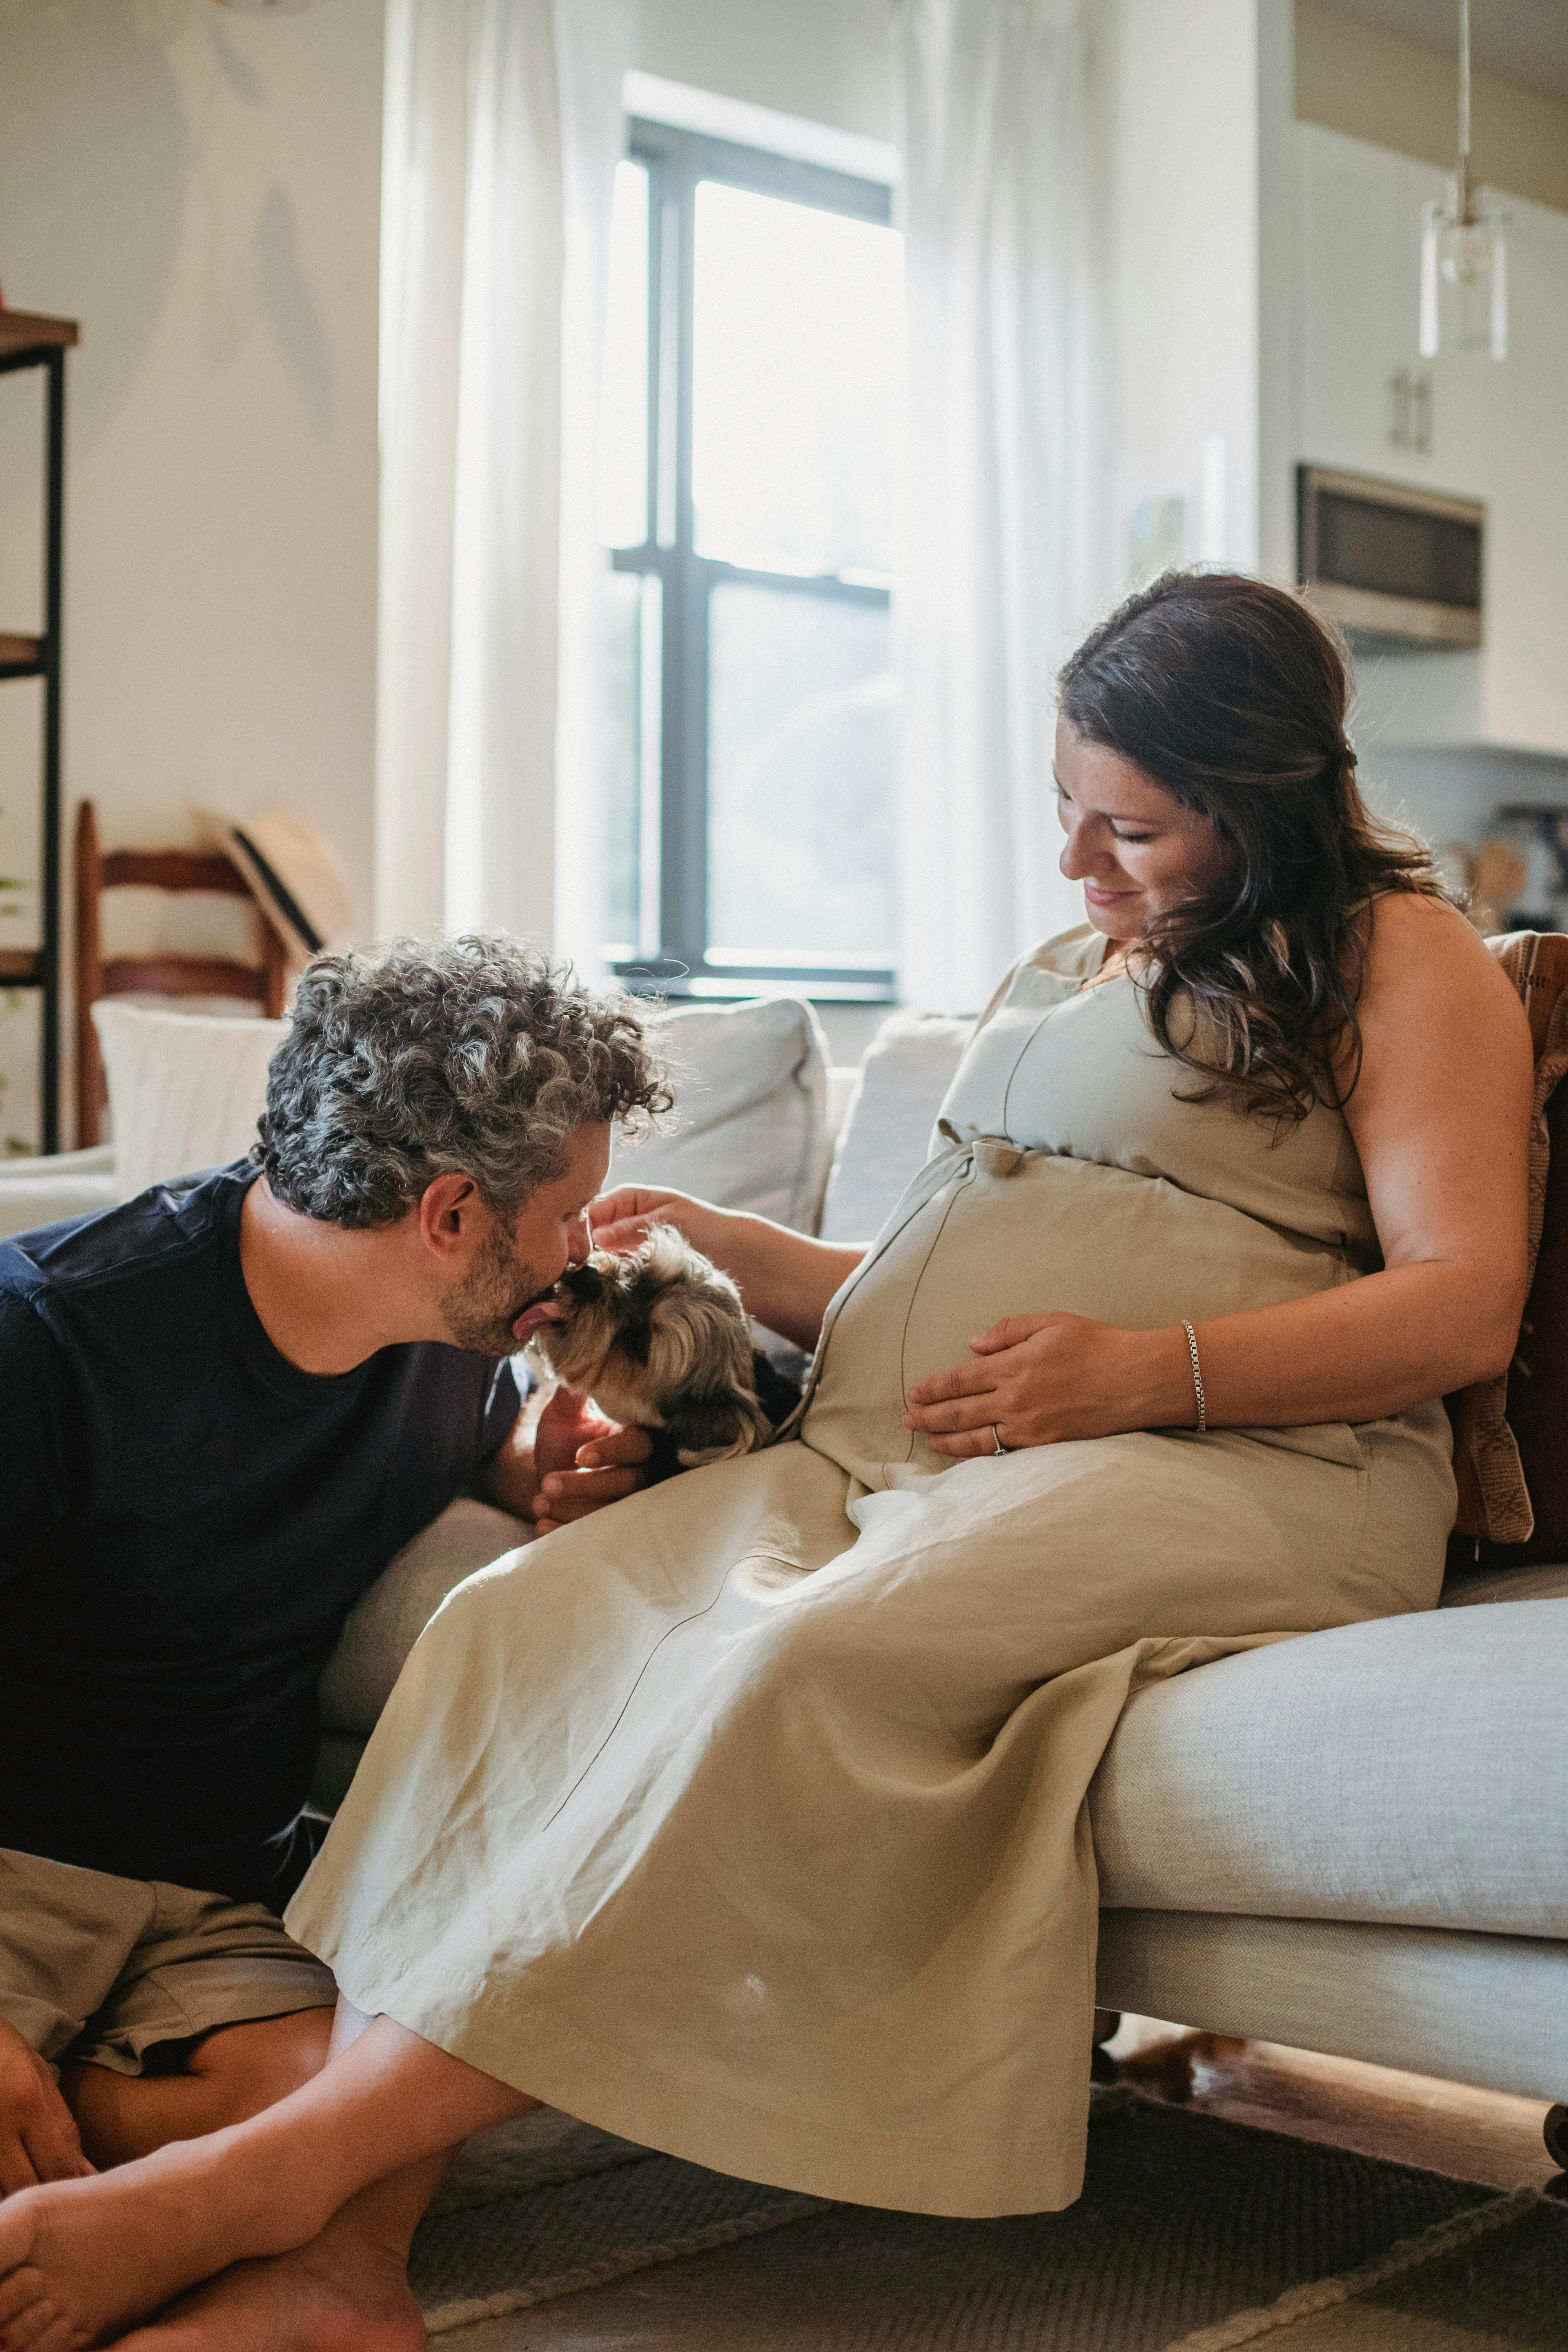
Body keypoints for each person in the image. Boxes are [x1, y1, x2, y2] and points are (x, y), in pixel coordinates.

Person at [0, 572, 1534, 2352]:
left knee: (796, 1655)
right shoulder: (1074, 966)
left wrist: (1147, 1373)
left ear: (1262, 801)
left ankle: (276, 2182)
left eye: (1131, 826)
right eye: (1063, 807)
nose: (1077, 864)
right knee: (514, 1625)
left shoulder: (1396, 955)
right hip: (923, 1440)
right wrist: (772, 1258)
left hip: (1252, 1460)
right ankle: (355, 2257)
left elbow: (1461, 1305)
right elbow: (940, 1278)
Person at [0, 942, 665, 2206]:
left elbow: (480, 1446)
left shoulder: (458, 1335)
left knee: (359, 2119)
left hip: (215, 1899)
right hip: (13, 1871)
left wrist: (539, 1466)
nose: (583, 1253)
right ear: (451, 1215)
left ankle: (82, 2118)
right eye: (569, 1213)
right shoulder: (47, 1339)